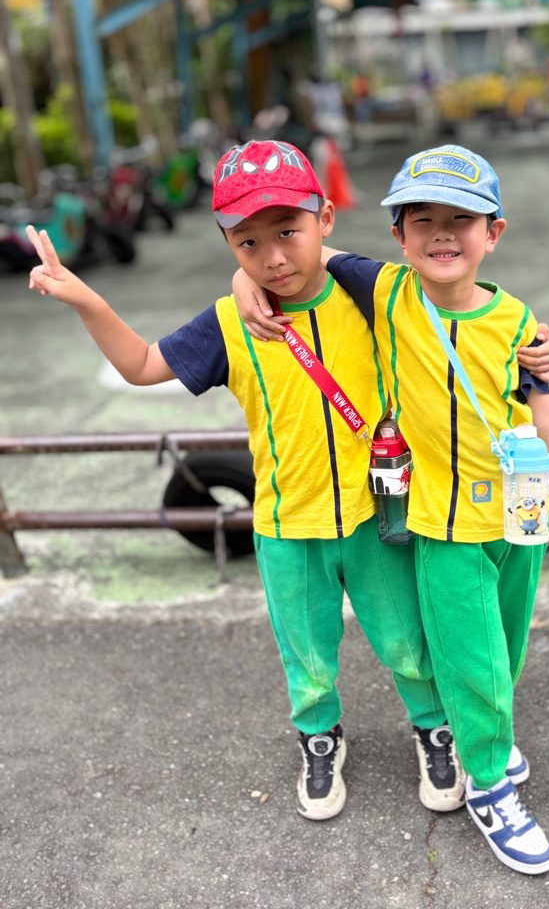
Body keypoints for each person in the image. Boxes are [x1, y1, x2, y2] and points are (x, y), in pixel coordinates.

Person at [25, 139, 480, 825]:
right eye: (248, 243)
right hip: (285, 524)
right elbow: (143, 366)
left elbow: (451, 289)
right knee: (307, 654)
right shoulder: (229, 323)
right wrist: (87, 300)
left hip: (376, 514)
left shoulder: (373, 297)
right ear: (228, 245)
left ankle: (433, 727)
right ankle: (319, 736)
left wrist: (536, 351)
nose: (272, 259)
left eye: (288, 232)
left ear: (325, 219)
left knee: (406, 640)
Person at [234, 144, 549, 875]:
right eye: (423, 220)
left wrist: (547, 497)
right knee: (470, 655)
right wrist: (240, 276)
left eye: (462, 220)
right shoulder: (386, 293)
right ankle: (488, 785)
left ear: (493, 233)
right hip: (442, 523)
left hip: (516, 516)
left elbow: (542, 412)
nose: (442, 234)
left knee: (505, 642)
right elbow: (299, 254)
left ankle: (489, 732)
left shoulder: (518, 319)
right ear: (399, 236)